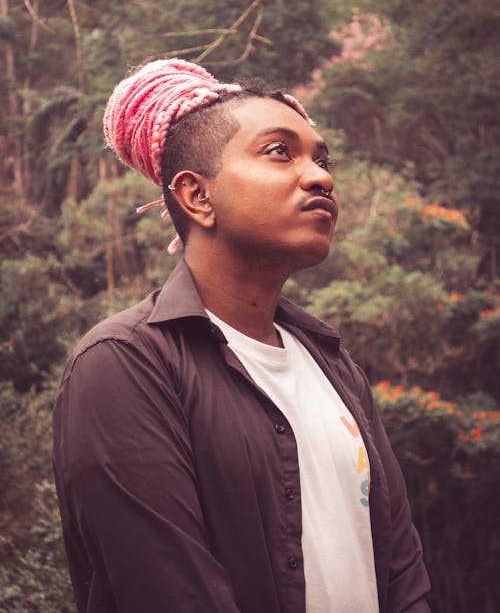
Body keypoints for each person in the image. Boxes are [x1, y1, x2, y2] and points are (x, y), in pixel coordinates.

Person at [52, 58, 431, 613]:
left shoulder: (335, 367)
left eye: (322, 159)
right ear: (196, 196)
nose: (321, 176)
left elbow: (401, 571)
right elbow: (171, 593)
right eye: (280, 151)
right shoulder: (124, 365)